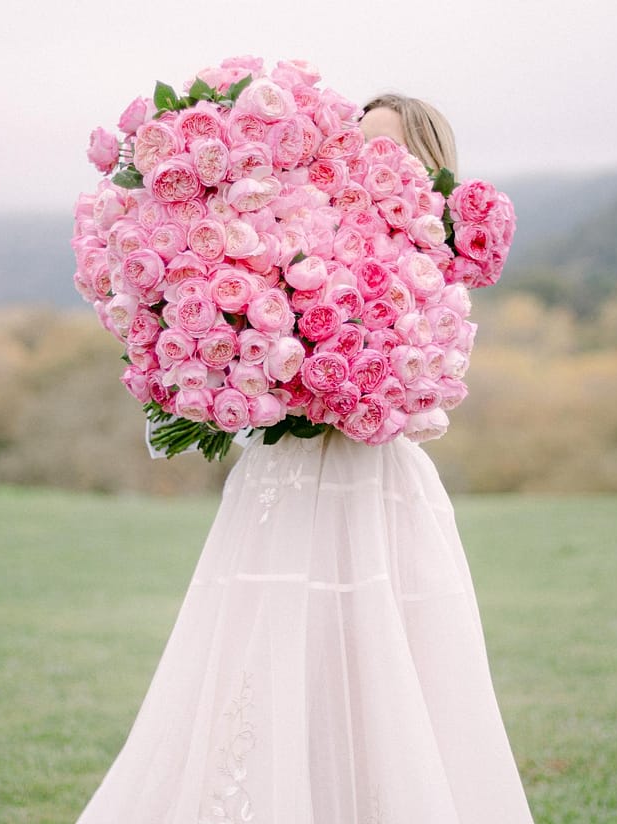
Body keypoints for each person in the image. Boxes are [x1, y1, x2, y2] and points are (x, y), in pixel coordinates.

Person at [75, 94, 534, 823]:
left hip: (374, 481)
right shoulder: (289, 230)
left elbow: (424, 389)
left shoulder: (427, 262)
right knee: (270, 643)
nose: (370, 160)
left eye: (390, 148)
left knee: (385, 650)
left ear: (427, 164)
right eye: (360, 143)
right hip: (283, 482)